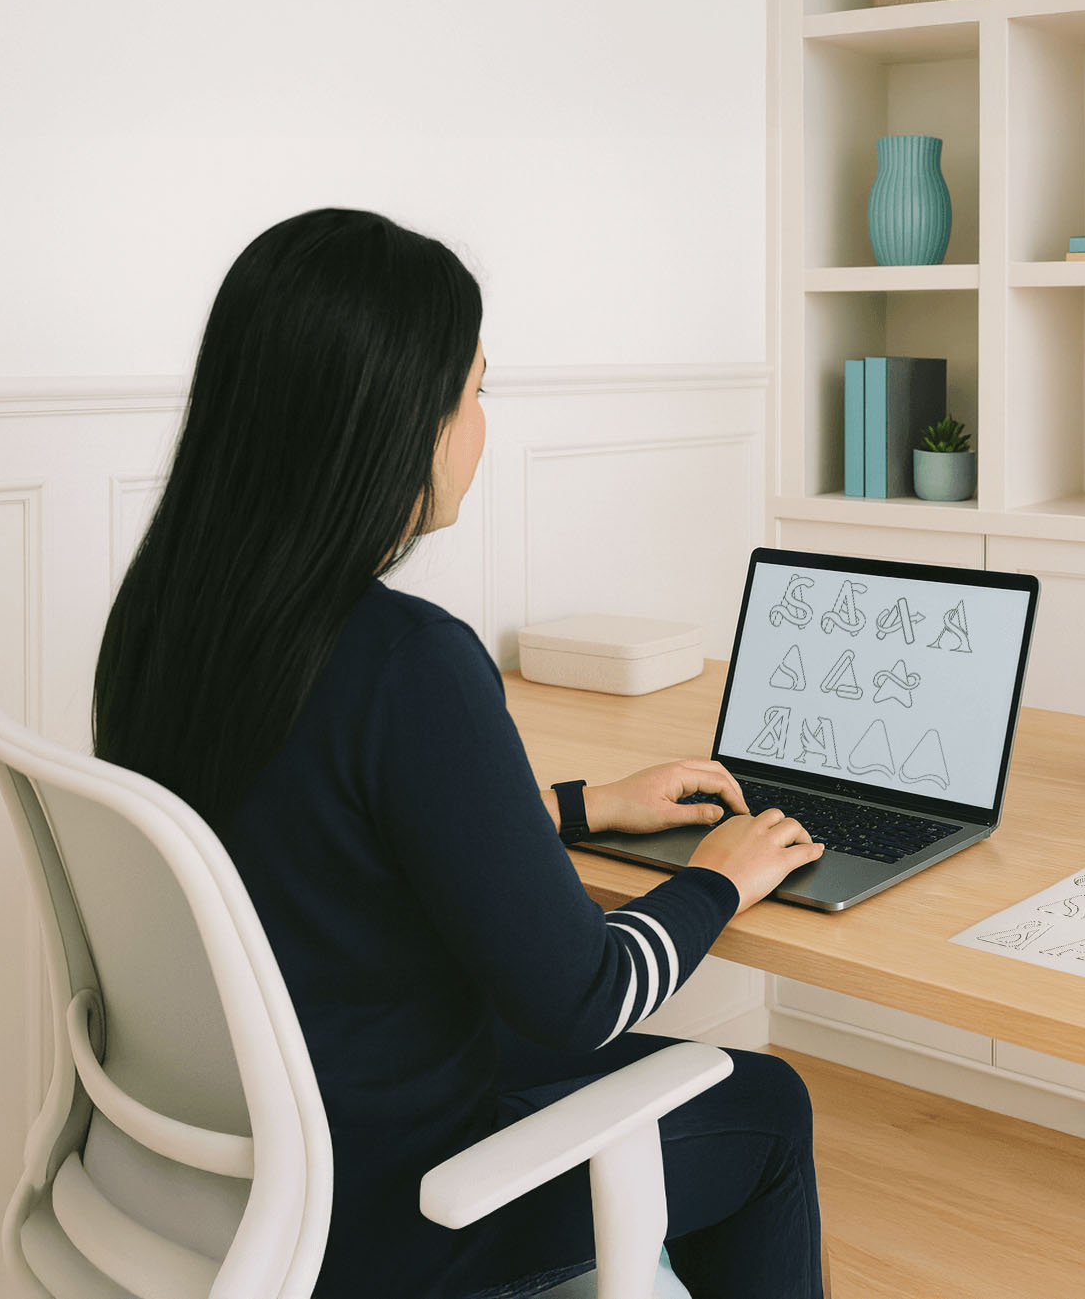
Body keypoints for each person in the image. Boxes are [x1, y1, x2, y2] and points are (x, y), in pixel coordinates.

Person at [93, 208, 827, 1298]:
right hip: (393, 1208)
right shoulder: (407, 661)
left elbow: (323, 826)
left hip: (235, 1154)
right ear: (398, 419)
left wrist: (580, 809)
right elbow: (586, 996)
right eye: (478, 389)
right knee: (765, 1110)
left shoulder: (164, 619)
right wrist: (718, 881)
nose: (483, 423)